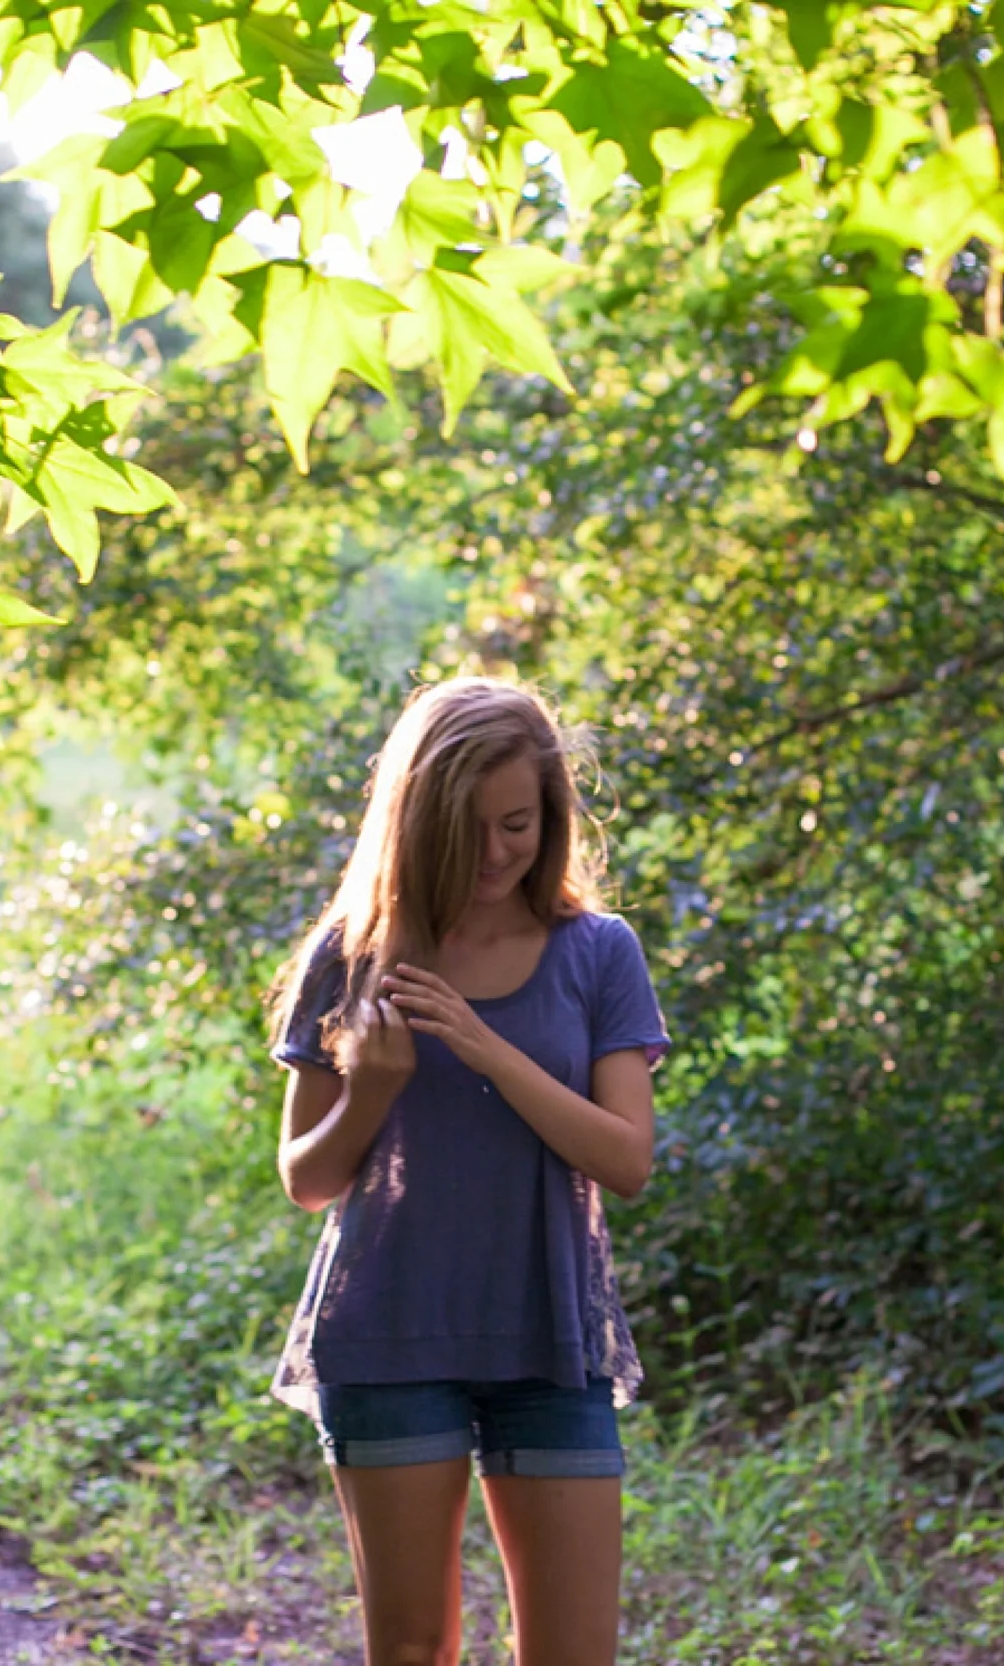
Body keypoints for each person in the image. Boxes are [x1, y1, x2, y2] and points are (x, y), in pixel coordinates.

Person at [263, 674, 672, 1666]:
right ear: (416, 819)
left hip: (551, 1340)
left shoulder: (598, 953)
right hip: (389, 1338)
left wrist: (486, 1050)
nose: (496, 853)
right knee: (412, 1651)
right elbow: (306, 1180)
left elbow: (626, 1160)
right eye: (470, 828)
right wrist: (368, 1091)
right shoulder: (349, 957)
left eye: (519, 824)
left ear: (552, 816)